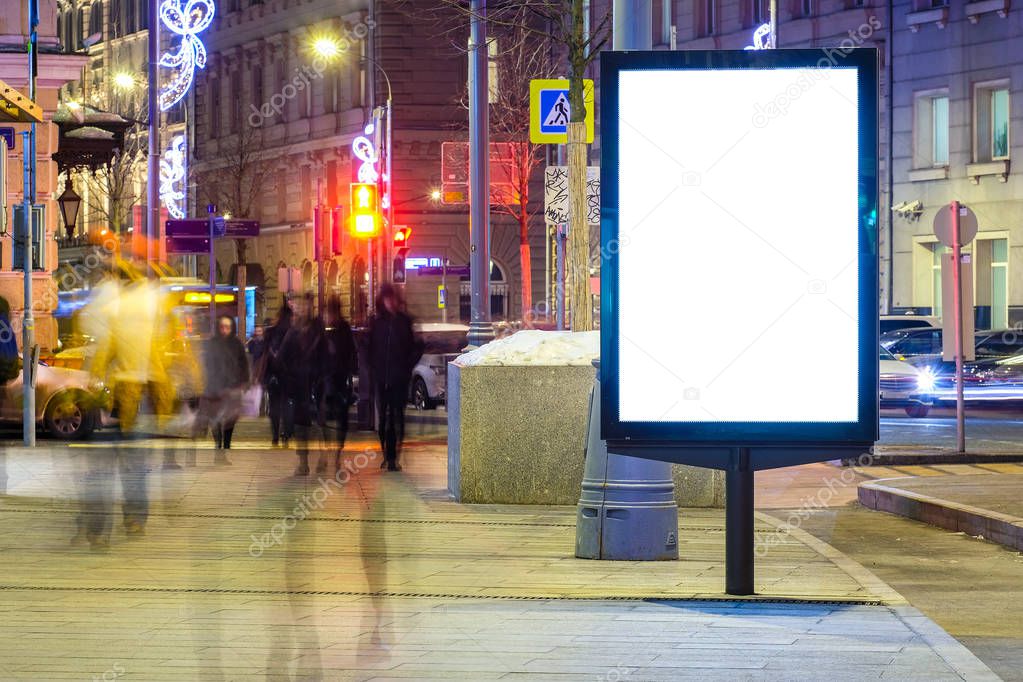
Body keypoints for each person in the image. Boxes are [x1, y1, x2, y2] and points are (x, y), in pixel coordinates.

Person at [368, 284, 421, 472]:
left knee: (397, 417)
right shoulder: (376, 322)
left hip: (399, 378)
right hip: (382, 378)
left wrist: (406, 367)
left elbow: (416, 347)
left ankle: (394, 458)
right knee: (383, 418)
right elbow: (367, 348)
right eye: (387, 299)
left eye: (393, 299)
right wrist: (373, 368)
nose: (390, 303)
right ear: (382, 301)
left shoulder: (404, 321)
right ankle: (385, 455)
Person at [279, 294, 324, 475]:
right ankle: (303, 462)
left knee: (319, 422)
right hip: (299, 385)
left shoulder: (317, 330)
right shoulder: (293, 332)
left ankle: (322, 456)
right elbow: (282, 356)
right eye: (299, 306)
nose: (302, 309)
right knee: (301, 424)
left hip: (316, 383)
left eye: (305, 306)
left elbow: (325, 357)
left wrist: (321, 375)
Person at [200, 315, 249, 461]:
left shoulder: (237, 344)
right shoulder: (212, 343)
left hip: (232, 387)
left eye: (227, 327)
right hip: (214, 386)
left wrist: (244, 381)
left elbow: (243, 364)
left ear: (231, 327)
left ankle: (226, 444)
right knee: (215, 418)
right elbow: (206, 364)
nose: (224, 330)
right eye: (222, 327)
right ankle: (218, 445)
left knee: (230, 417)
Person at [316, 296, 357, 472]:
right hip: (327, 382)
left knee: (338, 420)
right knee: (327, 420)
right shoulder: (324, 330)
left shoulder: (342, 329)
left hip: (337, 381)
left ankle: (334, 455)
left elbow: (351, 354)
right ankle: (329, 454)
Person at [262, 304, 292, 447]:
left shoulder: (270, 332)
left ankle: (275, 434)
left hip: (273, 374)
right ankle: (285, 433)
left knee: (274, 405)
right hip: (287, 375)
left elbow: (264, 354)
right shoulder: (292, 332)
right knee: (286, 404)